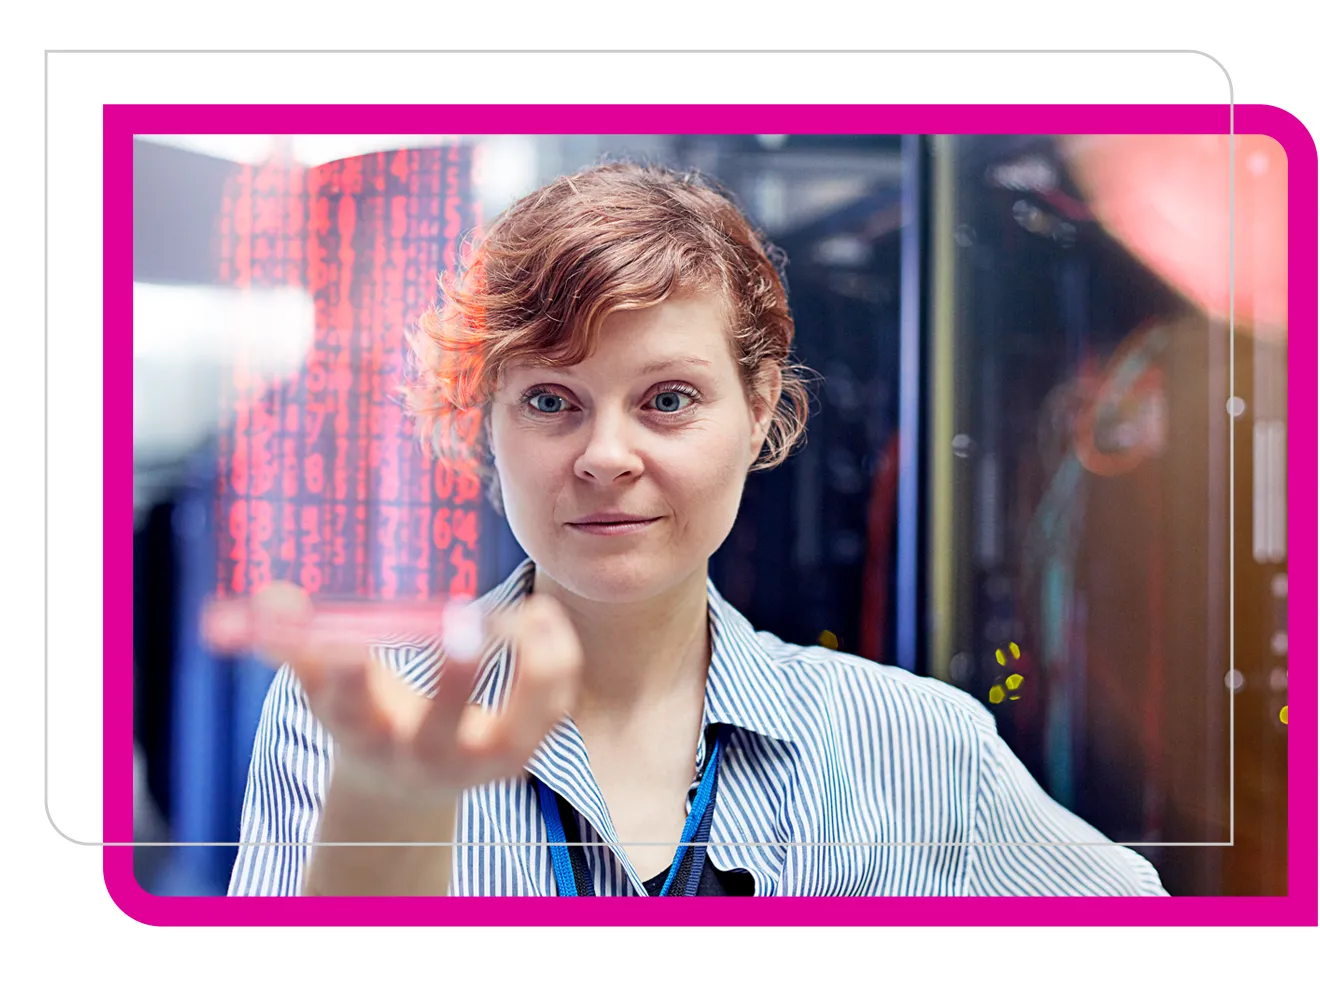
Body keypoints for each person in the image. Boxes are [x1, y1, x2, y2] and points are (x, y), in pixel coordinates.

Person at [216, 160, 1168, 897]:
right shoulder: (360, 724)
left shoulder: (915, 745)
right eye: (551, 400)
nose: (605, 456)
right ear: (484, 419)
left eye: (668, 399)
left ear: (758, 411)